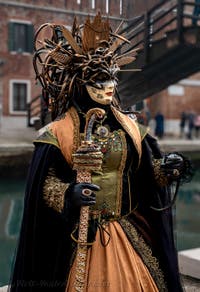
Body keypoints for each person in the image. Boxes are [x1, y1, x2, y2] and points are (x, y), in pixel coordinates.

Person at [9, 13, 192, 292]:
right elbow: (45, 186)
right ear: (81, 84)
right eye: (98, 84)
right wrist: (68, 194)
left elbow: (142, 175)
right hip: (78, 234)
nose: (107, 90)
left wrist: (167, 168)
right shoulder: (58, 133)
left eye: (110, 83)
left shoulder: (130, 128)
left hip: (125, 229)